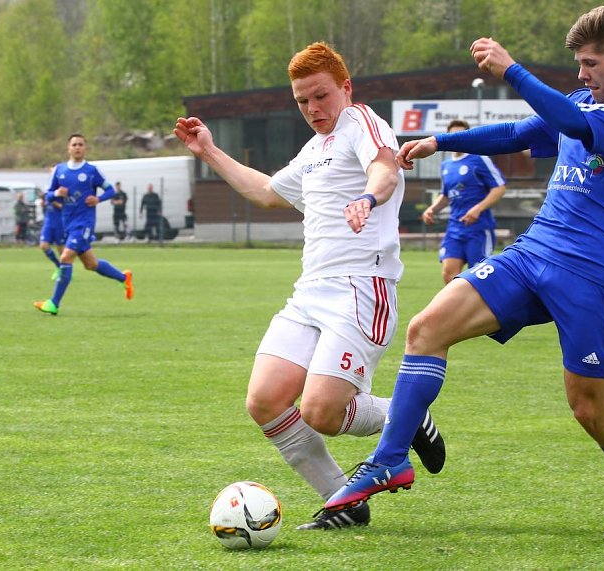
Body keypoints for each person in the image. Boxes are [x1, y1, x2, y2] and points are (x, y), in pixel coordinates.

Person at [324, 3, 604, 535]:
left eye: (591, 64)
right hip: (533, 254)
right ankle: (391, 458)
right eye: (578, 64)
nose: (581, 75)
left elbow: (573, 122)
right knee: (426, 327)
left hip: (594, 276)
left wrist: (512, 70)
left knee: (589, 408)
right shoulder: (582, 100)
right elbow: (519, 134)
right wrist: (443, 141)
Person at [173, 41, 445, 531]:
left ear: (345, 87)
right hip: (310, 292)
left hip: (362, 288)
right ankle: (344, 502)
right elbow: (266, 192)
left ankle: (402, 415)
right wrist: (209, 151)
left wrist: (368, 196)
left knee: (321, 411)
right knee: (264, 400)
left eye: (321, 96)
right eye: (302, 101)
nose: (313, 109)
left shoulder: (362, 122)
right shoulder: (315, 149)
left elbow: (383, 168)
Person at [34, 134, 134, 316]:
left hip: (84, 223)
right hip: (68, 224)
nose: (77, 147)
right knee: (91, 264)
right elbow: (48, 195)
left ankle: (54, 303)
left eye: (81, 144)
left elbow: (110, 190)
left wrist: (98, 198)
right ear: (68, 148)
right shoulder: (59, 170)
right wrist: (57, 192)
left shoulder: (91, 171)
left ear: (85, 148)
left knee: (65, 258)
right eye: (74, 144)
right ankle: (123, 277)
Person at [422, 119, 507, 284]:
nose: (456, 138)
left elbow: (499, 188)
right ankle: (458, 309)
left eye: (460, 135)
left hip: (478, 229)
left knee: (478, 278)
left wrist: (477, 209)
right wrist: (432, 209)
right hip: (454, 228)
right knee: (448, 273)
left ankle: (487, 309)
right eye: (452, 135)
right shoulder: (446, 165)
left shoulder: (479, 159)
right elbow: (446, 195)